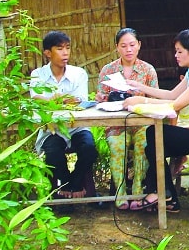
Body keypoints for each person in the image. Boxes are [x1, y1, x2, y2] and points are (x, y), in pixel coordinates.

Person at [123, 28, 189, 213]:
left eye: (180, 51)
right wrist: (141, 87)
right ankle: (166, 195)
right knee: (153, 143)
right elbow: (171, 94)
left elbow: (175, 105)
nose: (176, 55)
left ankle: (164, 194)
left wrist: (142, 100)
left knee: (154, 135)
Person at [95, 28, 158, 210]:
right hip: (116, 123)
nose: (128, 49)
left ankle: (138, 190)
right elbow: (102, 96)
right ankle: (120, 194)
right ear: (117, 48)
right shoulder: (108, 70)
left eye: (132, 45)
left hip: (141, 122)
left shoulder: (148, 70)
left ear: (139, 45)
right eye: (123, 46)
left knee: (143, 144)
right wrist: (101, 98)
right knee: (117, 146)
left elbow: (155, 99)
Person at [30, 30, 97, 199]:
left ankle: (74, 184)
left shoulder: (79, 74)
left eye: (67, 48)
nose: (65, 52)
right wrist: (60, 98)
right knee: (52, 152)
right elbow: (36, 100)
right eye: (59, 48)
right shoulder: (38, 75)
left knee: (89, 148)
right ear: (47, 53)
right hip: (51, 128)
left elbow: (78, 102)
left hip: (77, 127)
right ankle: (68, 184)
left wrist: (51, 99)